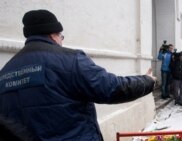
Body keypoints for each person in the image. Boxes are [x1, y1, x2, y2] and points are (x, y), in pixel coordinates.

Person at [0, 9, 156, 141]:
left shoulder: (5, 72)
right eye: (61, 37)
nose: (62, 41)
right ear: (54, 35)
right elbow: (112, 88)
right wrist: (147, 81)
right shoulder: (71, 60)